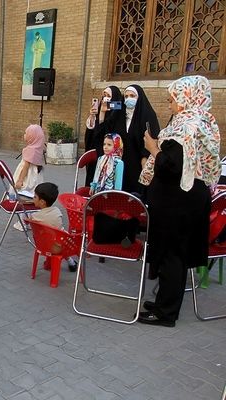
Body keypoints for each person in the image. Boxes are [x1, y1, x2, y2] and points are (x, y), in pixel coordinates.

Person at [138, 75, 220, 327]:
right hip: (180, 199)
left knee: (172, 255)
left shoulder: (189, 126)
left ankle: (166, 313)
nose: (169, 104)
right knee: (169, 253)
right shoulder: (198, 122)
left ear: (187, 98)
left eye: (173, 99)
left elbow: (174, 166)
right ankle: (164, 300)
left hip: (179, 200)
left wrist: (153, 148)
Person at [25, 182, 78, 272]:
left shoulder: (35, 216)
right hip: (61, 245)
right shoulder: (57, 211)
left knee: (52, 238)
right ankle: (71, 262)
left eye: (34, 197)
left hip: (43, 245)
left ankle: (49, 263)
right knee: (61, 236)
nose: (33, 199)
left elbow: (27, 221)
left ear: (42, 202)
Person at [120, 85, 160, 195]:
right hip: (122, 161)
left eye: (132, 96)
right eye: (126, 96)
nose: (128, 99)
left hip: (139, 161)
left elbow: (153, 138)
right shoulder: (121, 115)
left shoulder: (148, 115)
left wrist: (145, 157)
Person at [84, 86, 126, 186]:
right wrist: (94, 115)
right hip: (98, 153)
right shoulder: (100, 110)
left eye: (108, 96)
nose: (105, 98)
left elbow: (107, 133)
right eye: (104, 95)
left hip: (112, 158)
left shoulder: (117, 114)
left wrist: (104, 112)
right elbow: (94, 133)